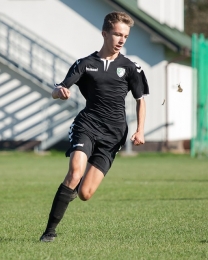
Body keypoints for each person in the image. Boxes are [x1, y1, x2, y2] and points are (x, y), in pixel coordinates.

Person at [40, 11, 149, 242]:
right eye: (117, 34)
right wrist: (59, 92)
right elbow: (57, 88)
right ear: (104, 33)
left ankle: (72, 191)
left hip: (114, 135)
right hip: (87, 125)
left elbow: (141, 100)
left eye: (126, 36)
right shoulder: (85, 64)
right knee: (74, 172)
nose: (121, 40)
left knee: (85, 194)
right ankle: (49, 232)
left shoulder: (131, 68)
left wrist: (140, 130)